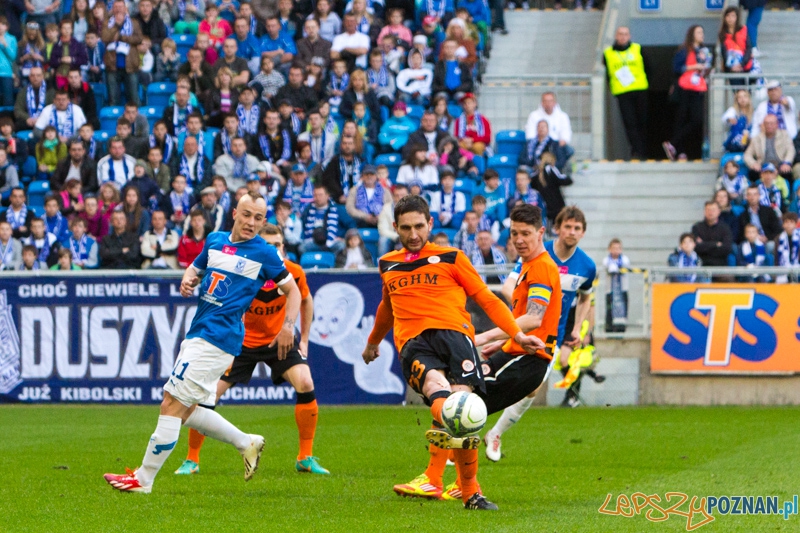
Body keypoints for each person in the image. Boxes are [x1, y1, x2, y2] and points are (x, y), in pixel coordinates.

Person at [104, 192, 301, 494]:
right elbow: (195, 269)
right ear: (235, 212)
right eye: (246, 215)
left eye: (258, 218)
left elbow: (295, 292)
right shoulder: (214, 240)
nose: (251, 223)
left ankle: (143, 480)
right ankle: (245, 442)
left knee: (171, 403)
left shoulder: (264, 253)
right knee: (186, 408)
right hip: (200, 331)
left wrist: (288, 326)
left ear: (264, 221)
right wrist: (188, 279)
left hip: (218, 337)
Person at [363, 195, 545, 510]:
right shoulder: (387, 263)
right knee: (439, 391)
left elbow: (486, 298)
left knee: (463, 405)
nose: (414, 234)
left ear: (430, 224)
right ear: (395, 227)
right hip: (414, 342)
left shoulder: (452, 257)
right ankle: (444, 480)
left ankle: (468, 492)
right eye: (406, 228)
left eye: (419, 226)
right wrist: (372, 342)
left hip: (457, 337)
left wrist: (516, 333)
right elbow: (386, 307)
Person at [397, 203, 562, 499]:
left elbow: (534, 317)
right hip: (514, 352)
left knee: (458, 403)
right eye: (514, 233)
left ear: (540, 233)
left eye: (526, 233)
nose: (519, 239)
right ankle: (457, 484)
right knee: (457, 401)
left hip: (527, 359)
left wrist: (483, 336)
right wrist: (501, 342)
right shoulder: (528, 265)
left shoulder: (541, 268)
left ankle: (438, 479)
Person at [176, 222, 326, 476]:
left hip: (279, 339)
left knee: (305, 382)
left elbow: (305, 300)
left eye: (277, 244)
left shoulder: (293, 272)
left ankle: (305, 457)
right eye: (268, 244)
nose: (273, 249)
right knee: (207, 395)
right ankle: (192, 459)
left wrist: (303, 340)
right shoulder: (245, 269)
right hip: (241, 343)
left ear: (284, 247)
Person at [484, 206, 596, 455]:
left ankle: (494, 433)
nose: (571, 232)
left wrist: (577, 328)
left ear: (583, 233)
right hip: (524, 329)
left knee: (529, 388)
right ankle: (459, 440)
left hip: (549, 337)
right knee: (491, 384)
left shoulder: (587, 266)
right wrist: (519, 321)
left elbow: (586, 297)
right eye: (567, 226)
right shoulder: (535, 253)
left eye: (577, 228)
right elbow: (507, 288)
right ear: (555, 229)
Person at [663, 25, 712, 161]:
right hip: (685, 87)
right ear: (692, 34)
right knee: (681, 118)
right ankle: (680, 150)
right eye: (698, 32)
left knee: (697, 119)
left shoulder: (704, 51)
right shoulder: (684, 50)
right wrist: (693, 66)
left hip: (699, 87)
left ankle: (673, 144)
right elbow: (677, 68)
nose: (701, 34)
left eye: (702, 32)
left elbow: (706, 67)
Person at [603, 26, 649, 159]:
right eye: (620, 34)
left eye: (625, 34)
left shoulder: (637, 49)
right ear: (616, 36)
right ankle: (637, 151)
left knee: (642, 122)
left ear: (629, 36)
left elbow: (649, 67)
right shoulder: (608, 53)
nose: (623, 37)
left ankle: (642, 150)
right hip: (622, 92)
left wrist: (646, 84)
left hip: (640, 90)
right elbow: (606, 74)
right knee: (630, 123)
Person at [102, 0, 143, 106]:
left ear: (125, 8)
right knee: (113, 99)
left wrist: (121, 37)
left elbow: (139, 39)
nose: (119, 9)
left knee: (134, 98)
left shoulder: (133, 22)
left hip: (130, 64)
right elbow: (105, 37)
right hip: (112, 65)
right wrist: (116, 25)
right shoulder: (107, 22)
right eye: (116, 7)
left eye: (121, 6)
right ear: (113, 9)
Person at [524, 92, 574, 170]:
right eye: (545, 101)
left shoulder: (562, 116)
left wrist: (560, 142)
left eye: (550, 101)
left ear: (555, 102)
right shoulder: (534, 115)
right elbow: (530, 135)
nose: (548, 103)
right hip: (539, 145)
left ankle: (557, 170)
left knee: (568, 151)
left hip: (556, 146)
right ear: (542, 103)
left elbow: (566, 133)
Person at [320, 135, 363, 207]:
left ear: (354, 146)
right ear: (341, 145)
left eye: (350, 143)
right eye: (345, 143)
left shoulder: (361, 161)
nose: (347, 146)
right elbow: (329, 181)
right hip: (339, 200)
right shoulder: (334, 162)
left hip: (359, 199)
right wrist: (339, 195)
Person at [300, 183, 343, 254]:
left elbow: (350, 225)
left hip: (331, 241)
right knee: (302, 247)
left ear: (327, 196)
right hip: (313, 241)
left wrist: (342, 237)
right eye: (315, 195)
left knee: (341, 245)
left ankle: (332, 263)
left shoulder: (337, 209)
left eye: (320, 195)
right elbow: (302, 224)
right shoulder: (308, 209)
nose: (317, 197)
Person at [533, 152, 572, 228]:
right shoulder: (551, 169)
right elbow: (561, 179)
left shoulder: (537, 173)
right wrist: (570, 179)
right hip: (556, 204)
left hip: (544, 205)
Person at [48, 17, 88, 89]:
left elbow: (84, 59)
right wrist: (60, 60)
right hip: (60, 75)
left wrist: (72, 60)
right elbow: (51, 61)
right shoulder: (56, 45)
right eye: (64, 28)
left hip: (74, 76)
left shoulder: (78, 44)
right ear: (60, 30)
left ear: (72, 30)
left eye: (68, 28)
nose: (66, 30)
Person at [718, 6, 752, 87]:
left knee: (747, 92)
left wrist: (742, 64)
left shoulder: (743, 29)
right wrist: (731, 66)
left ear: (737, 17)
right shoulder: (722, 34)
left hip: (745, 65)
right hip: (732, 68)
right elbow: (724, 53)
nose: (730, 18)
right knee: (737, 92)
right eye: (728, 16)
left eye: (733, 16)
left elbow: (748, 47)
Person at [691, 200, 733, 266]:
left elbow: (727, 249)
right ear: (704, 211)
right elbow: (696, 247)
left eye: (713, 210)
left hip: (720, 265)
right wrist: (715, 244)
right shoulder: (697, 227)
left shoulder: (725, 228)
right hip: (701, 265)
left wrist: (704, 244)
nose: (710, 212)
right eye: (708, 210)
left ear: (719, 211)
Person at [346, 164, 387, 228]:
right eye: (367, 174)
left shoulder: (385, 190)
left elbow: (389, 206)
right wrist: (365, 216)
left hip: (380, 221)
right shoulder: (354, 190)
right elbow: (350, 208)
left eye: (372, 174)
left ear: (376, 176)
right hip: (360, 221)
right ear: (362, 176)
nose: (369, 177)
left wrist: (380, 216)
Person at [603, 238, 629, 333]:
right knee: (609, 308)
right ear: (609, 249)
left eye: (618, 248)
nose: (616, 250)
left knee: (623, 308)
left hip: (622, 290)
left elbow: (625, 265)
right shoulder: (606, 260)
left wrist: (618, 267)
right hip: (610, 290)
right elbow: (606, 266)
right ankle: (609, 328)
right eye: (614, 248)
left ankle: (621, 329)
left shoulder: (624, 259)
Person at [14, 67, 53, 132]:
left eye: (38, 75)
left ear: (43, 76)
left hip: (45, 121)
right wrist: (27, 118)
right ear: (29, 77)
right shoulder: (23, 91)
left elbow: (52, 108)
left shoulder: (50, 91)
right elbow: (18, 109)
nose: (35, 78)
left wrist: (40, 119)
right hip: (28, 121)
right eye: (33, 75)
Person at [453, 92, 490, 157]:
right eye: (465, 103)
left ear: (475, 104)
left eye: (469, 103)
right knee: (458, 147)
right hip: (464, 142)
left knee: (478, 147)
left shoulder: (483, 119)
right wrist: (465, 140)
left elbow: (487, 138)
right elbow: (456, 136)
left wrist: (472, 140)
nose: (467, 105)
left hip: (477, 143)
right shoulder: (458, 120)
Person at [0, 17, 18, 107]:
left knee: (8, 100)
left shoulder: (11, 38)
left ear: (6, 26)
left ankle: (7, 120)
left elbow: (13, 57)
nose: (0, 26)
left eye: (2, 24)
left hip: (7, 73)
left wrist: (5, 45)